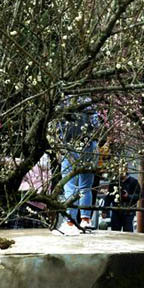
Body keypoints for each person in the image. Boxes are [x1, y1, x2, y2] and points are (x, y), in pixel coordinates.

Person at [57, 95, 101, 234]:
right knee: (86, 186)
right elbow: (97, 125)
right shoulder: (88, 101)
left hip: (69, 146)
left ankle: (70, 222)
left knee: (69, 185)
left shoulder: (63, 102)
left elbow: (58, 127)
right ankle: (85, 220)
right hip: (88, 145)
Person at [110, 167, 141, 232]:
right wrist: (104, 210)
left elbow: (138, 195)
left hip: (128, 210)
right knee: (115, 231)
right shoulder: (114, 182)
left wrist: (128, 196)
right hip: (116, 210)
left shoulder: (133, 181)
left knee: (128, 230)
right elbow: (109, 195)